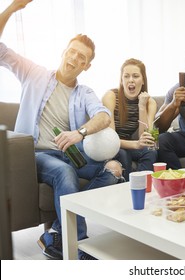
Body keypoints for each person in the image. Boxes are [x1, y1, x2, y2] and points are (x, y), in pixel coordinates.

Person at [0, 0, 123, 260]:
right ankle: (77, 245)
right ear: (64, 51)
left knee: (114, 170)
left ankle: (55, 232)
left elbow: (103, 116)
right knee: (64, 172)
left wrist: (80, 133)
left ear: (86, 66)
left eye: (82, 58)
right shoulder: (34, 74)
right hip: (37, 155)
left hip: (71, 152)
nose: (75, 59)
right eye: (73, 52)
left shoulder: (84, 93)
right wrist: (11, 10)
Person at [102, 58, 157, 181]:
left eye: (136, 76)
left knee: (150, 151)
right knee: (123, 153)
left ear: (143, 80)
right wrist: (136, 145)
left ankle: (142, 186)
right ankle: (127, 190)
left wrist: (142, 107)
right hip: (111, 145)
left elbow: (145, 139)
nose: (131, 80)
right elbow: (110, 140)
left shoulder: (150, 102)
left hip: (130, 145)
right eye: (126, 76)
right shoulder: (111, 96)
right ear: (121, 80)